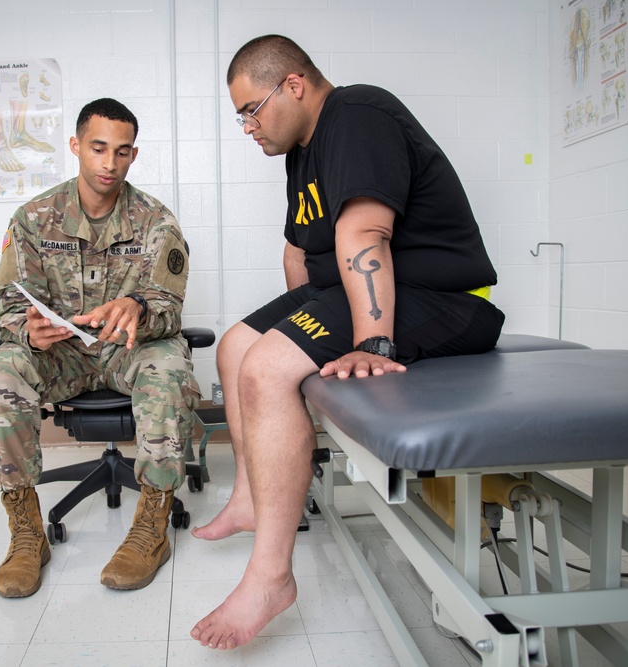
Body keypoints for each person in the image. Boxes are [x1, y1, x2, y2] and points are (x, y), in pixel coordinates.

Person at [190, 35, 505, 649]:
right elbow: (300, 251)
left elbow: (366, 232)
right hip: (364, 290)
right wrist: (294, 329)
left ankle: (272, 577)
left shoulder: (357, 115)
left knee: (263, 370)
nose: (247, 126)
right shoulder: (300, 153)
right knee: (236, 347)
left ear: (294, 85)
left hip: (443, 300)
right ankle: (252, 498)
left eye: (251, 109)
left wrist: (373, 344)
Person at [0, 98, 200, 598]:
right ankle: (27, 532)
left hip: (127, 349)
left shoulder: (156, 221)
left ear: (133, 155)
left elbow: (170, 308)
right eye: (97, 148)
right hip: (62, 353)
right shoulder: (33, 218)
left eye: (121, 152)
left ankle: (151, 526)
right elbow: (10, 306)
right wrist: (27, 333)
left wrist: (139, 306)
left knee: (170, 367)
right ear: (76, 147)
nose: (109, 164)